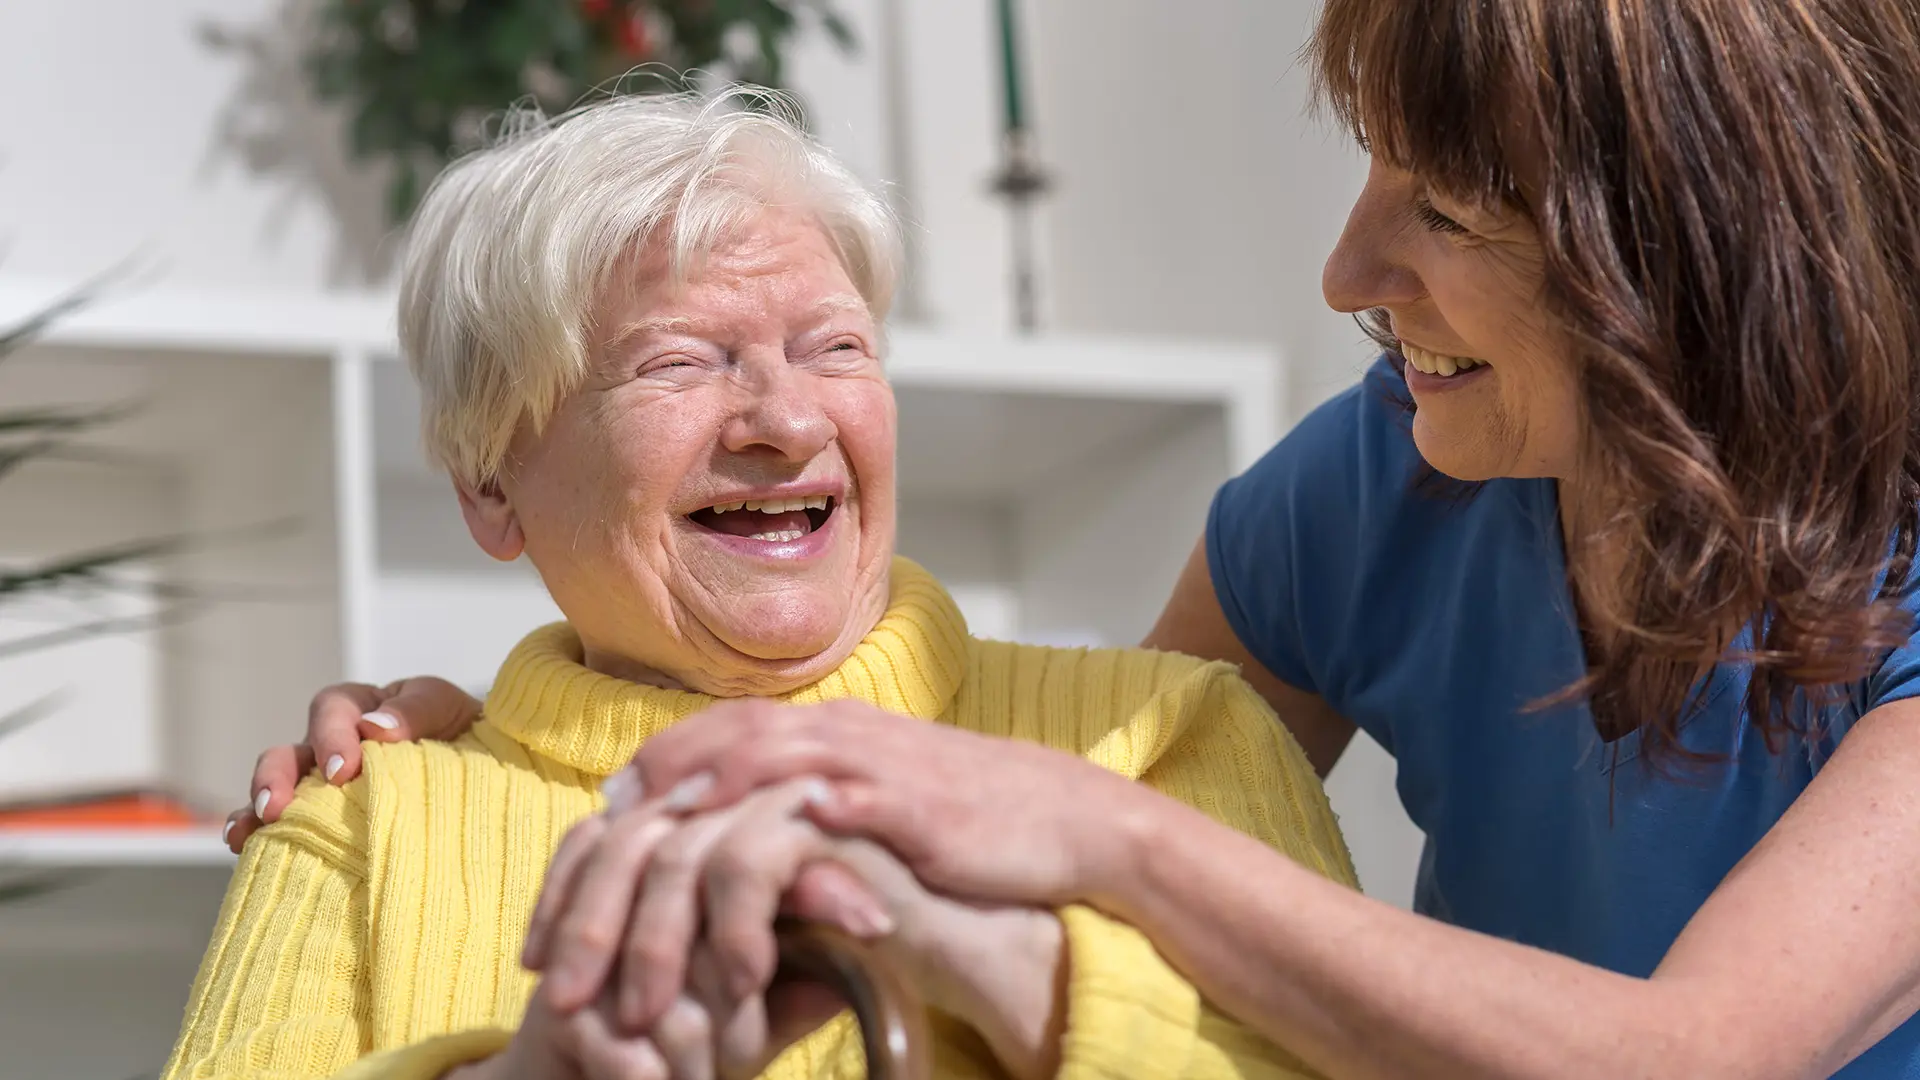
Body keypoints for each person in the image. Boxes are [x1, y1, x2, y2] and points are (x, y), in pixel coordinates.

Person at [235, 0, 1920, 1077]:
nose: (1345, 269)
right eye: (678, 362)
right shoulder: (1377, 485)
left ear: (1685, 261)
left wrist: (1097, 837)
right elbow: (1071, 838)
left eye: (1449, 208)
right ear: (488, 484)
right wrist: (517, 730)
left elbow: (1696, 1059)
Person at [166, 90, 1355, 1080]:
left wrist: (1025, 991)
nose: (789, 421)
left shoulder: (1174, 740)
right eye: (678, 362)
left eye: (836, 347)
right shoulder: (366, 820)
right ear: (490, 487)